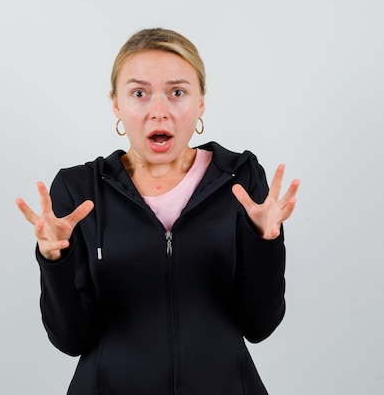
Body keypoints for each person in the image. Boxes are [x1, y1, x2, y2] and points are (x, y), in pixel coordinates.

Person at [15, 28, 300, 395]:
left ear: (201, 103)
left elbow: (259, 326)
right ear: (116, 104)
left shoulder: (241, 180)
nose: (159, 111)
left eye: (177, 92)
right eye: (139, 93)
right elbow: (70, 339)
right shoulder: (79, 190)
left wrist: (266, 241)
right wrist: (54, 259)